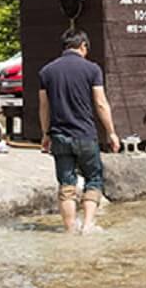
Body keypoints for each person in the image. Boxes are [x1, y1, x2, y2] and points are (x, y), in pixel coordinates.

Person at [38, 29, 120, 234]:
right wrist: (111, 132)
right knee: (94, 178)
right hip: (85, 135)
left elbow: (43, 106)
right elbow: (101, 103)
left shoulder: (47, 71)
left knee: (67, 185)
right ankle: (87, 225)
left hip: (59, 135)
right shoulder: (92, 70)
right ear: (83, 46)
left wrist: (45, 134)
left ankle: (69, 229)